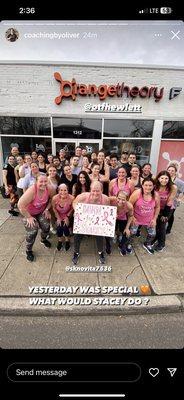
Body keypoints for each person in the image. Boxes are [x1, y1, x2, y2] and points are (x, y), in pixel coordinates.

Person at [72, 181, 110, 265]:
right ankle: (76, 252)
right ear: (90, 190)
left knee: (100, 236)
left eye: (98, 190)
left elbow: (108, 209)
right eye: (93, 190)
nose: (95, 193)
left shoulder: (105, 199)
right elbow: (74, 202)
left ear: (102, 190)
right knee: (77, 235)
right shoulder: (83, 196)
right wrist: (77, 210)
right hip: (84, 220)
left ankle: (100, 252)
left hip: (97, 221)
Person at [18, 175, 53, 262]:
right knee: (33, 231)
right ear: (36, 182)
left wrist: (47, 209)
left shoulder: (49, 188)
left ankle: (43, 240)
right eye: (41, 181)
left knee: (46, 226)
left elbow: (52, 199)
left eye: (45, 181)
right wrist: (29, 217)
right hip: (28, 213)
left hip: (40, 212)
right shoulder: (32, 191)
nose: (44, 184)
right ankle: (28, 250)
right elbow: (20, 205)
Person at [129, 178, 160, 254]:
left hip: (149, 219)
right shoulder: (137, 193)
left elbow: (157, 207)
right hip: (136, 218)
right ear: (142, 185)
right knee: (132, 232)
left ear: (153, 186)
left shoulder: (156, 195)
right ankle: (129, 243)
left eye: (150, 185)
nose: (148, 187)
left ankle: (147, 244)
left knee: (152, 234)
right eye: (146, 185)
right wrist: (132, 217)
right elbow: (130, 205)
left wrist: (155, 219)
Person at [153, 171, 177, 252]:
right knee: (156, 224)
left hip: (168, 208)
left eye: (166, 178)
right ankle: (156, 238)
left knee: (162, 225)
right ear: (159, 178)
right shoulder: (155, 186)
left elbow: (170, 201)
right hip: (157, 208)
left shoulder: (173, 187)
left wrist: (165, 215)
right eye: (162, 178)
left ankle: (161, 244)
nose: (164, 180)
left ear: (169, 179)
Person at [108, 191, 134, 256]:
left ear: (127, 200)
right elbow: (103, 202)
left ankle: (122, 245)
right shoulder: (111, 200)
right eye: (119, 198)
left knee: (125, 232)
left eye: (123, 200)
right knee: (112, 229)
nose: (120, 201)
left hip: (123, 218)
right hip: (113, 218)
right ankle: (114, 236)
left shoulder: (129, 206)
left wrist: (127, 228)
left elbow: (130, 216)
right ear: (116, 197)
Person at [52, 184, 74, 251]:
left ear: (68, 190)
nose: (63, 192)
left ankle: (67, 240)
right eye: (61, 190)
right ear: (58, 190)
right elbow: (54, 208)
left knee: (65, 226)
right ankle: (60, 241)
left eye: (65, 190)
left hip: (67, 215)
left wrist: (67, 217)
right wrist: (58, 218)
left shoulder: (72, 198)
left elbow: (72, 209)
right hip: (58, 214)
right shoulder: (55, 198)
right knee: (59, 227)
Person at [166, 164, 184, 234]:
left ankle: (168, 229)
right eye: (169, 170)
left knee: (170, 215)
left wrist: (180, 199)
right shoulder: (165, 178)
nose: (170, 172)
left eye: (172, 171)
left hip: (173, 202)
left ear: (176, 172)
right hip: (165, 200)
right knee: (169, 215)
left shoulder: (179, 182)